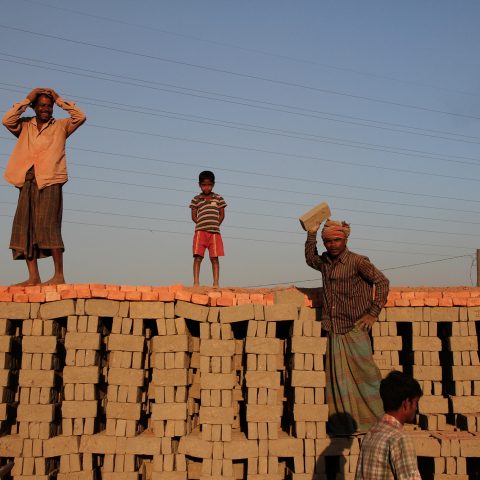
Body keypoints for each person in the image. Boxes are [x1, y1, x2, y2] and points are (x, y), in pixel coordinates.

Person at [305, 218, 389, 434]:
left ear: (345, 239)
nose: (332, 245)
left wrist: (373, 313)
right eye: (328, 241)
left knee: (367, 376)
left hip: (355, 327)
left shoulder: (358, 261)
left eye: (337, 240)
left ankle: (378, 421)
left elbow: (382, 282)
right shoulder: (325, 262)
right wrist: (311, 234)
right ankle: (346, 426)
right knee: (339, 381)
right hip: (334, 327)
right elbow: (310, 259)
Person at [2, 88, 86, 285]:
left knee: (49, 226)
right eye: (41, 105)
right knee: (26, 227)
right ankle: (33, 277)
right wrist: (27, 98)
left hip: (50, 180)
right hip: (27, 180)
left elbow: (80, 116)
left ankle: (59, 276)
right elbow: (7, 120)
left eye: (48, 106)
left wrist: (58, 99)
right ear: (34, 107)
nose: (45, 109)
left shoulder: (61, 126)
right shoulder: (24, 125)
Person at [355, 370, 423, 480]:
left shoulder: (371, 433)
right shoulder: (400, 438)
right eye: (415, 403)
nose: (416, 408)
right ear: (406, 403)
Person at [190, 170, 226, 287]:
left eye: (209, 185)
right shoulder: (196, 199)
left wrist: (215, 224)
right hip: (200, 232)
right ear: (199, 185)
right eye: (204, 185)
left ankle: (216, 283)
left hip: (214, 233)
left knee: (214, 258)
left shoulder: (218, 198)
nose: (207, 187)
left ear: (213, 184)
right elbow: (193, 216)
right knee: (197, 257)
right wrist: (201, 224)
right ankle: (196, 283)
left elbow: (222, 214)